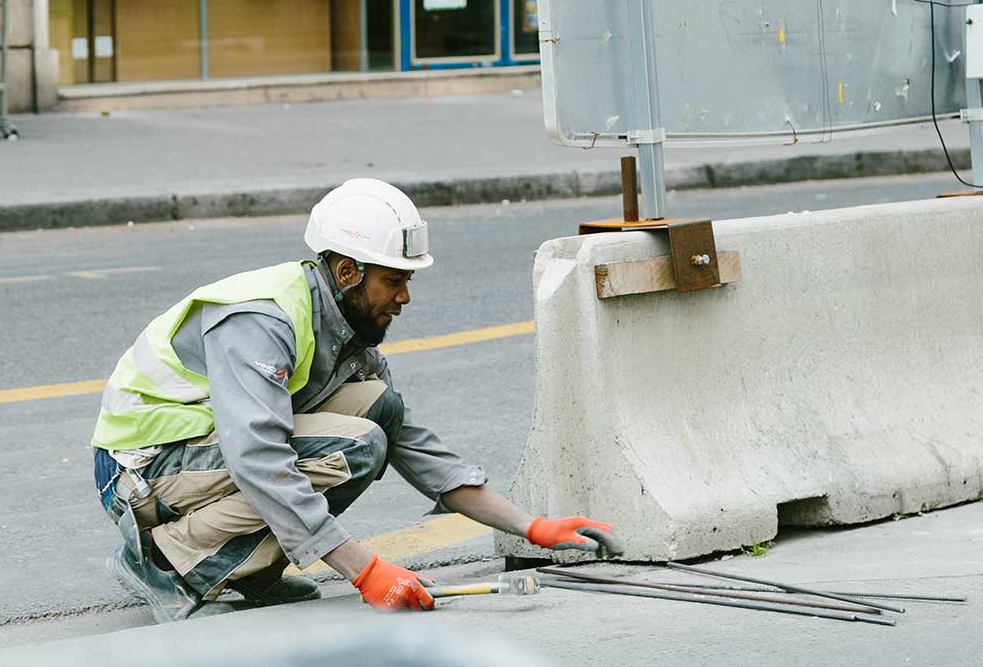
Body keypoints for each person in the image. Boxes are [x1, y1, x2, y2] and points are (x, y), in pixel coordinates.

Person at [90, 178, 622, 621]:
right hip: (142, 471)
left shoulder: (346, 330)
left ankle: (249, 573)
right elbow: (258, 456)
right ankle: (165, 563)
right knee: (357, 445)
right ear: (347, 272)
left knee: (379, 411)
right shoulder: (262, 320)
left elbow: (417, 448)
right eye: (394, 281)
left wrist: (531, 527)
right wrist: (364, 570)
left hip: (198, 458)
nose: (404, 297)